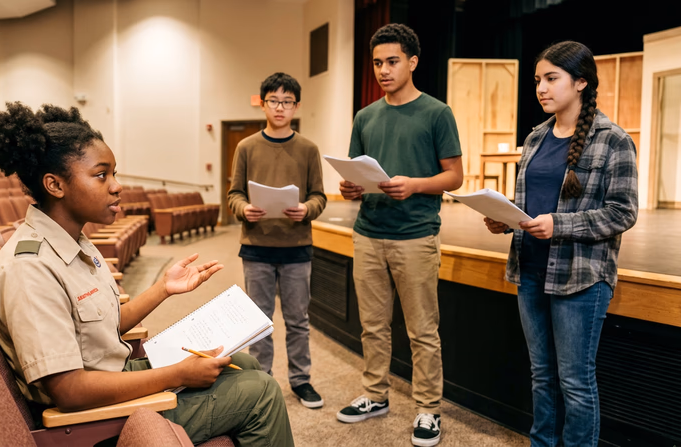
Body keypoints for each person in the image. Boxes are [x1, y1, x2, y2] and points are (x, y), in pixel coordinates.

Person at [0, 102, 294, 446]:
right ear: (55, 185)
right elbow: (69, 391)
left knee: (242, 362)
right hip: (93, 421)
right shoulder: (31, 268)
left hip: (112, 379)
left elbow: (103, 326)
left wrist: (164, 288)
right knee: (261, 392)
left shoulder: (74, 241)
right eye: (102, 175)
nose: (116, 186)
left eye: (114, 173)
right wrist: (175, 374)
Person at [484, 41, 638, 447]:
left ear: (581, 82)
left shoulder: (613, 140)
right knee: (542, 375)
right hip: (530, 270)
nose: (541, 88)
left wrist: (561, 224)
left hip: (580, 277)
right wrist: (506, 219)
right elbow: (529, 206)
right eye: (538, 80)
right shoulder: (535, 138)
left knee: (575, 382)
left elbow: (623, 213)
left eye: (552, 78)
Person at [336, 24, 463, 447]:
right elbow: (355, 172)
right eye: (377, 63)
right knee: (372, 326)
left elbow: (455, 176)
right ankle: (376, 395)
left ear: (412, 62)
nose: (383, 70)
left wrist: (414, 184)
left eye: (392, 62)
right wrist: (348, 187)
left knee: (422, 330)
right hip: (368, 232)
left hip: (415, 235)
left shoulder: (436, 113)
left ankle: (428, 408)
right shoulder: (365, 116)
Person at [227, 72, 327, 409]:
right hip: (256, 248)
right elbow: (233, 195)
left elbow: (319, 197)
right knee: (259, 322)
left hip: (297, 247)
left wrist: (306, 209)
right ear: (263, 104)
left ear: (296, 106)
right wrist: (244, 209)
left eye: (287, 102)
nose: (280, 107)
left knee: (298, 320)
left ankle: (301, 381)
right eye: (273, 101)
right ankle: (262, 382)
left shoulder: (308, 149)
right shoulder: (246, 147)